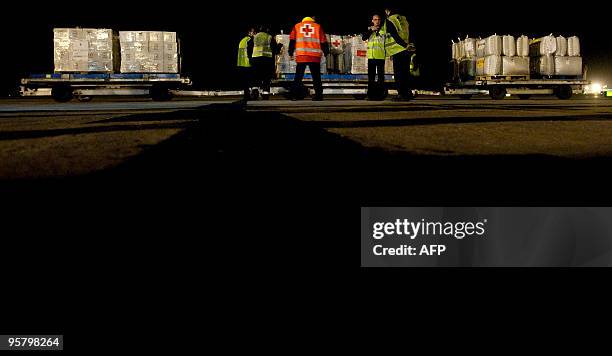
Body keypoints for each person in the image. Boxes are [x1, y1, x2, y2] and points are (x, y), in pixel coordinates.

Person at [288, 16, 329, 101]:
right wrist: (326, 52)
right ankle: (318, 95)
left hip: (301, 55)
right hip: (314, 55)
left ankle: (294, 95)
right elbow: (323, 41)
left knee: (298, 76)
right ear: (312, 18)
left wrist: (290, 52)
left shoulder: (297, 26)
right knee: (316, 77)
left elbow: (292, 40)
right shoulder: (318, 26)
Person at [383, 7, 413, 101]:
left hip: (398, 49)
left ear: (388, 11)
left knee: (399, 74)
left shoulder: (390, 20)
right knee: (406, 73)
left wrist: (404, 45)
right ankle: (408, 93)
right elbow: (409, 33)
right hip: (407, 50)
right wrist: (409, 45)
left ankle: (401, 94)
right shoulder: (404, 19)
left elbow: (394, 35)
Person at [251, 25, 282, 100]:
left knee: (255, 76)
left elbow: (250, 47)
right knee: (266, 77)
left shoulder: (255, 37)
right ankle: (265, 94)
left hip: (255, 58)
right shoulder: (269, 37)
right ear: (267, 30)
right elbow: (275, 50)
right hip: (266, 59)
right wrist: (280, 46)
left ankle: (255, 90)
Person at [362, 13, 387, 100]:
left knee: (380, 78)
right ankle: (370, 95)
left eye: (378, 19)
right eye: (375, 19)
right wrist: (371, 30)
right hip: (371, 57)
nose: (377, 21)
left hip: (380, 56)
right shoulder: (369, 29)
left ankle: (380, 95)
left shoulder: (384, 29)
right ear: (372, 21)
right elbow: (363, 38)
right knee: (371, 78)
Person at [237, 27, 255, 101]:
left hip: (241, 63)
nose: (255, 34)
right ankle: (248, 95)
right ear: (249, 33)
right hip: (247, 63)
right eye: (253, 32)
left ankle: (246, 95)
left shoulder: (242, 40)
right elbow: (250, 51)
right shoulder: (250, 40)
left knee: (245, 82)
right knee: (249, 81)